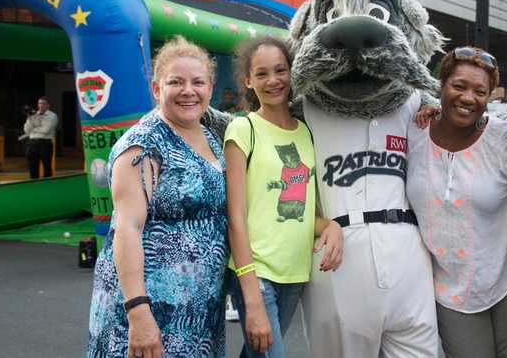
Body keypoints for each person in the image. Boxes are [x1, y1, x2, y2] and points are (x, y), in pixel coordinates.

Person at [87, 36, 229, 358]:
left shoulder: (208, 134)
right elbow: (127, 229)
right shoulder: (143, 144)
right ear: (156, 89)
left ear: (210, 88)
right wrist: (138, 312)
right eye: (175, 82)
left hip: (198, 308)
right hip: (151, 306)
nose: (188, 91)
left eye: (198, 82)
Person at [408, 47, 507, 358]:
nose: (468, 97)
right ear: (442, 85)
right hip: (449, 291)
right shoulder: (414, 133)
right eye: (459, 86)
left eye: (480, 91)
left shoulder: (504, 139)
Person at [224, 37, 343, 358]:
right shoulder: (242, 129)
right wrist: (249, 292)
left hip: (295, 273)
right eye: (261, 74)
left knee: (256, 354)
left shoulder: (306, 132)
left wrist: (330, 226)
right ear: (248, 80)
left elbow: (302, 210)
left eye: (280, 70)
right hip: (255, 272)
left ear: (292, 73)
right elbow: (235, 216)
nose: (273, 80)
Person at [23, 96, 58, 178]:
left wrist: (33, 130)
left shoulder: (52, 116)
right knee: (32, 167)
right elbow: (26, 130)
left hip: (45, 143)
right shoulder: (33, 115)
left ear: (48, 105)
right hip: (32, 143)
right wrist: (30, 119)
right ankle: (34, 185)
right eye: (39, 103)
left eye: (43, 103)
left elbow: (46, 130)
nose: (41, 105)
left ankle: (47, 186)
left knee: (47, 167)